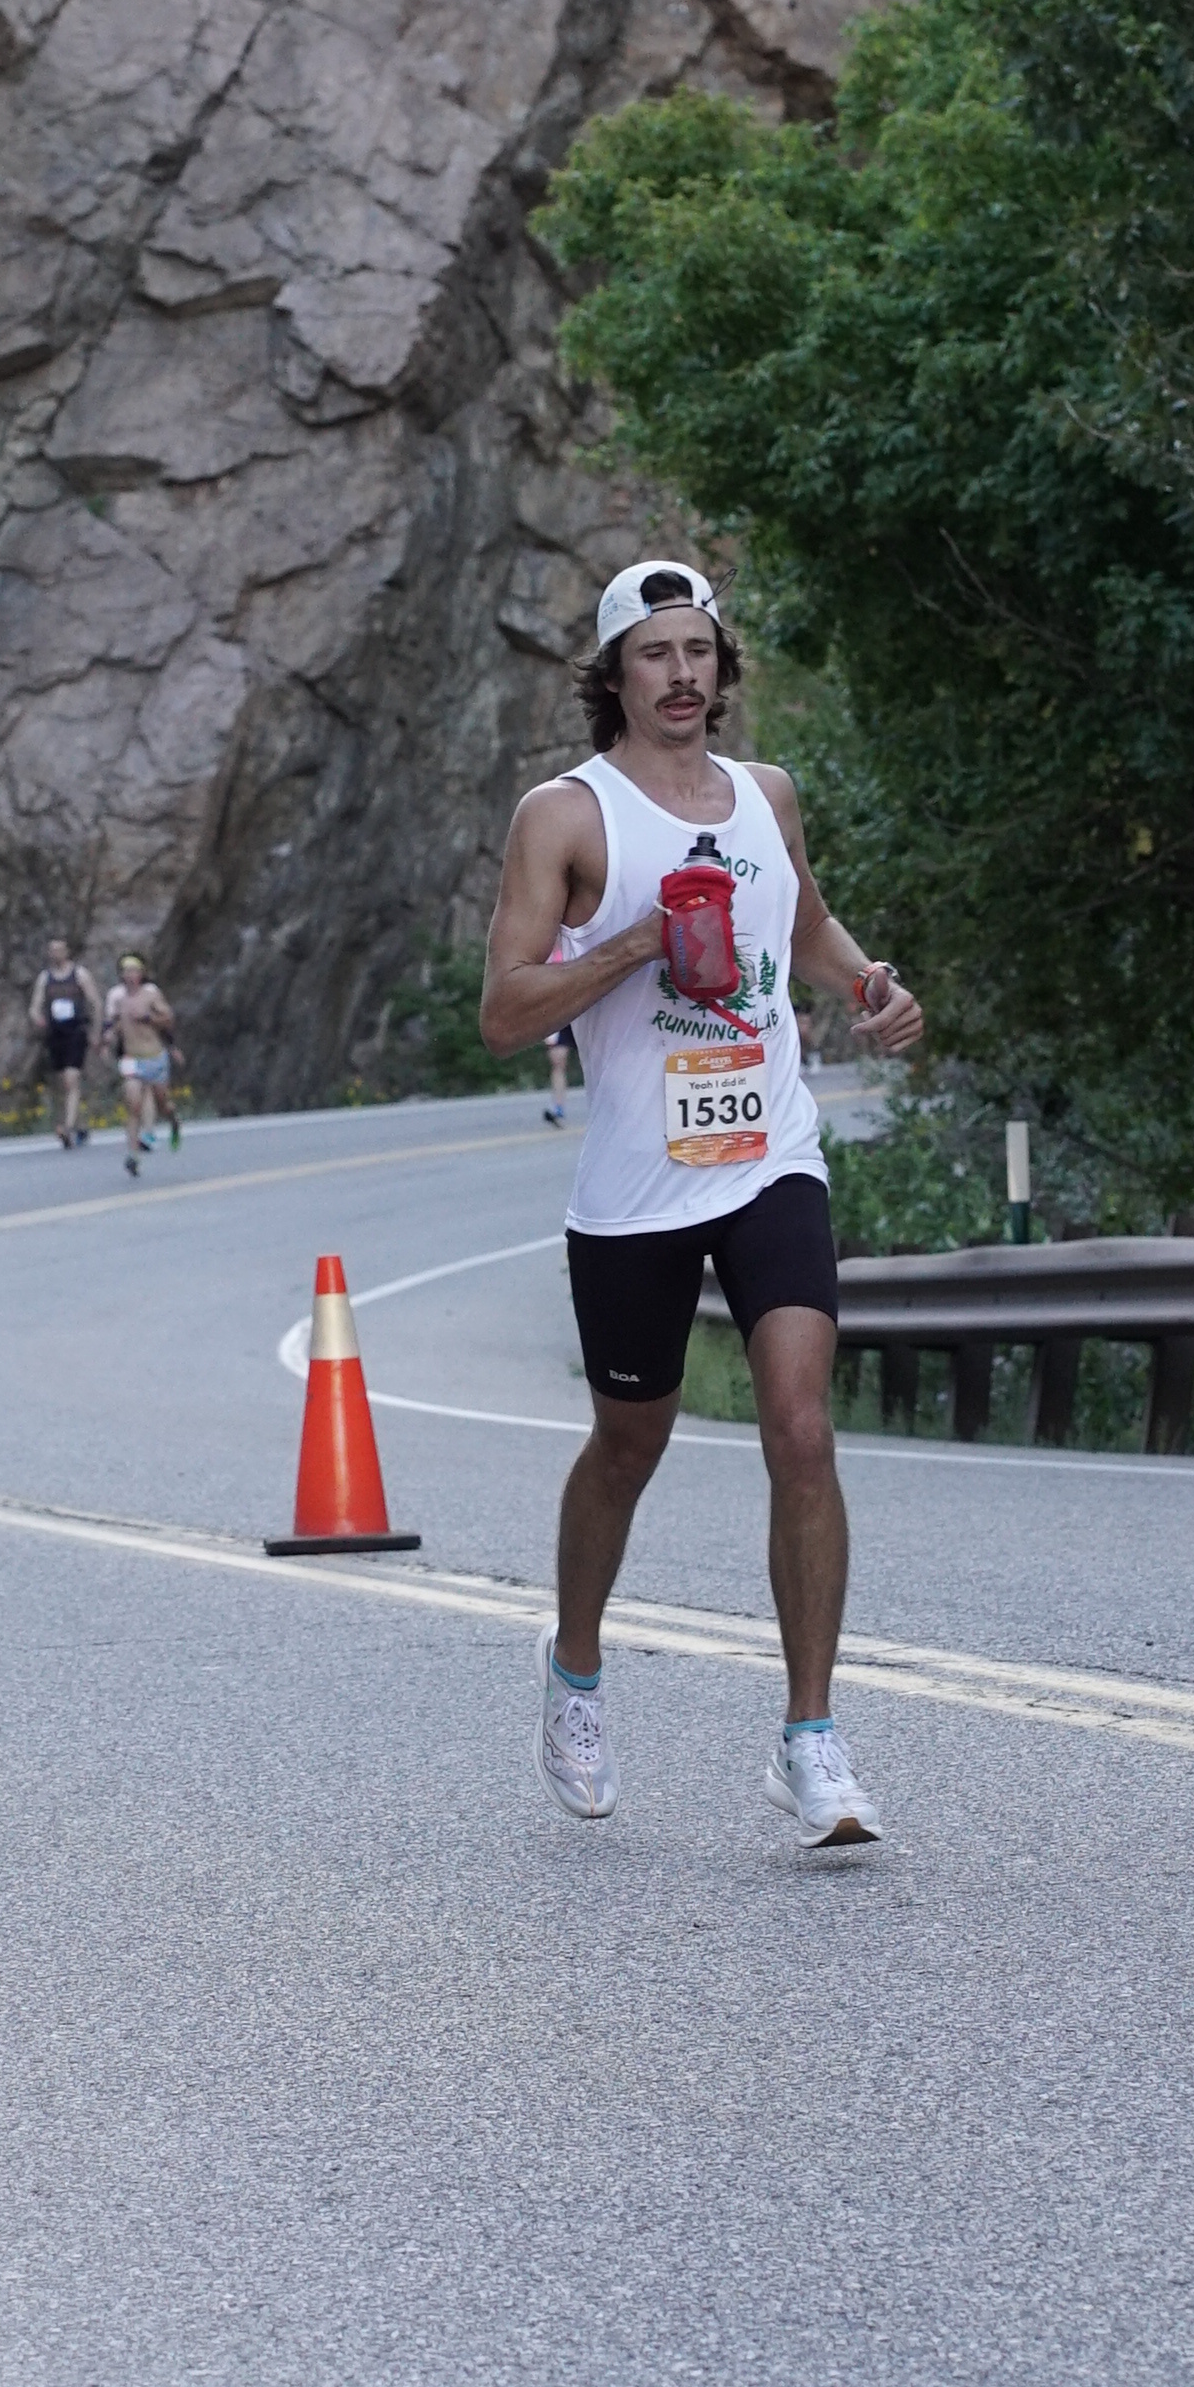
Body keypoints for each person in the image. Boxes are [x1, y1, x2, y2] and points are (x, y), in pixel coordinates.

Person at [479, 561, 924, 1848]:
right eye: (655, 652)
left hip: (770, 1154)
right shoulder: (568, 817)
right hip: (638, 1187)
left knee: (801, 1425)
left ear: (723, 667)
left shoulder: (765, 795)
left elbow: (807, 923)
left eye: (699, 650)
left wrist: (868, 983)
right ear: (614, 675)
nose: (681, 674)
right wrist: (632, 944)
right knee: (631, 1442)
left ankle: (811, 1739)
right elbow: (504, 1011)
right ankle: (574, 1672)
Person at [103, 954, 176, 1176]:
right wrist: (107, 1038)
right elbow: (116, 1023)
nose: (130, 976)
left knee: (163, 1104)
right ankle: (133, 1156)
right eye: (127, 972)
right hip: (132, 1059)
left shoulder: (151, 994)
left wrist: (148, 1018)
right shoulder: (119, 999)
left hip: (154, 1057)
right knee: (133, 1107)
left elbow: (168, 1019)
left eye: (134, 971)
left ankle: (173, 1119)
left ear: (141, 974)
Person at [30, 937, 96, 1149]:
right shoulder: (45, 978)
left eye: (59, 949)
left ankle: (67, 1128)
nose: (56, 954)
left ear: (67, 951)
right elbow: (35, 1005)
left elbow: (95, 1002)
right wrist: (37, 1018)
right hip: (55, 1033)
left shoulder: (80, 974)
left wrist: (96, 1031)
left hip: (75, 1030)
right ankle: (81, 1125)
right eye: (52, 950)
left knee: (71, 1078)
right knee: (62, 1083)